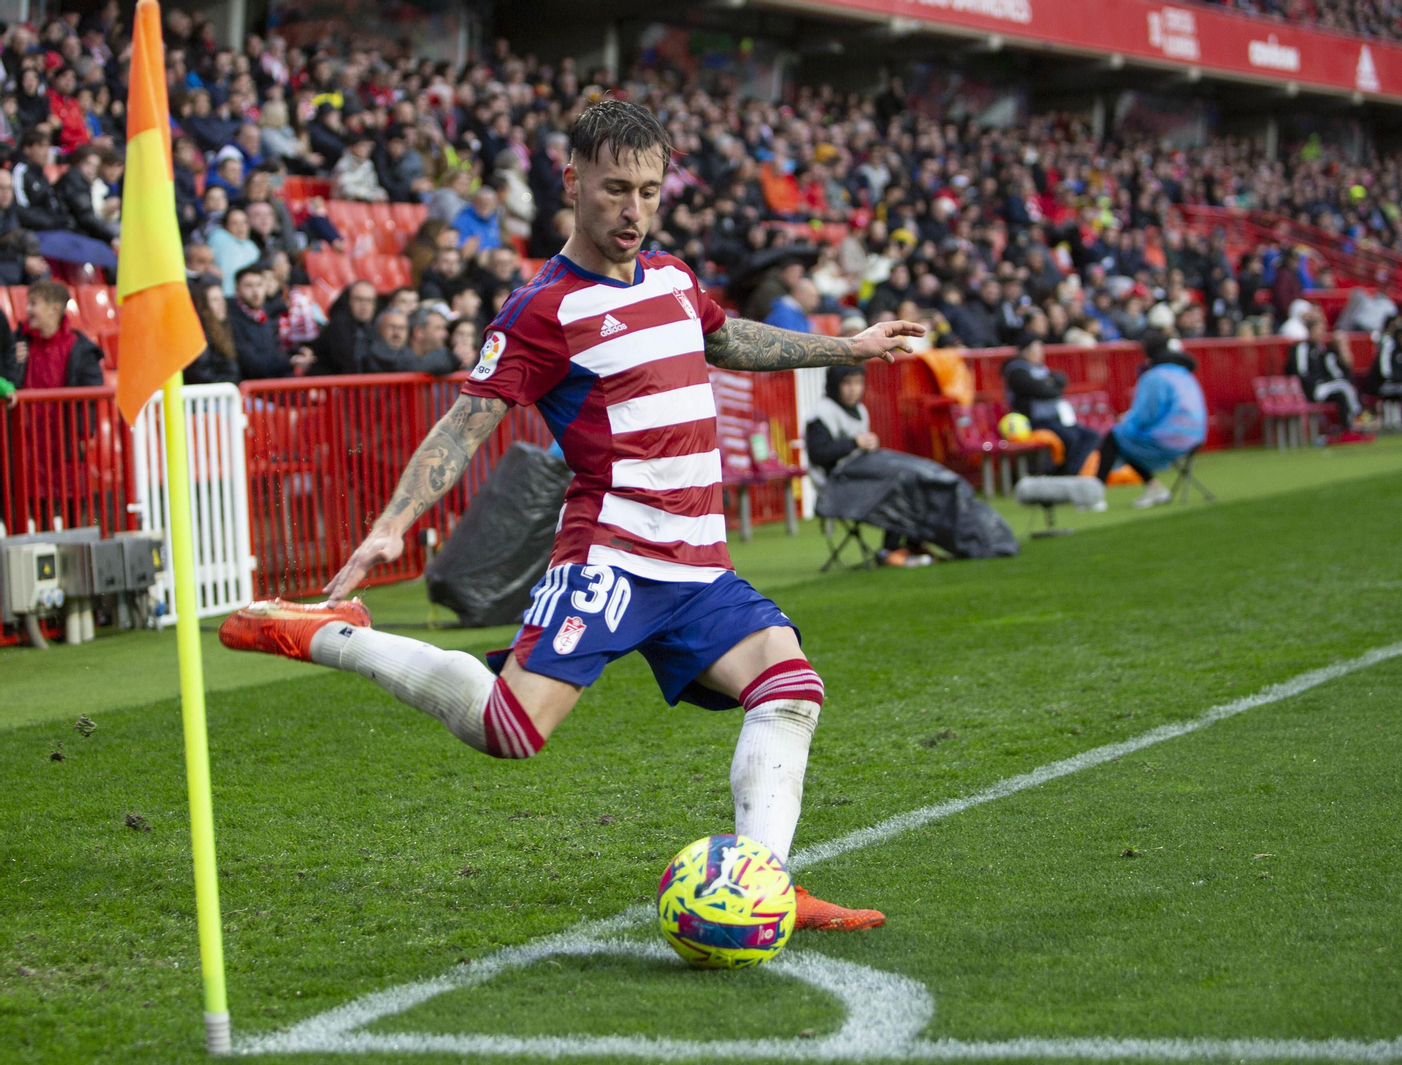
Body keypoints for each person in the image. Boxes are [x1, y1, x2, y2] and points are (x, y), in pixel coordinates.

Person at [218, 98, 926, 931]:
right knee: (511, 729)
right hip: (613, 559)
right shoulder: (542, 308)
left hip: (698, 569)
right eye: (616, 189)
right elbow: (464, 421)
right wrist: (392, 523)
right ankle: (329, 633)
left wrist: (849, 346)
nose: (634, 212)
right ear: (572, 180)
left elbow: (727, 338)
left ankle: (762, 881)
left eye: (651, 193)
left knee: (791, 686)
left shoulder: (670, 279)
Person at [804, 364, 932, 568]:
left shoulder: (861, 410)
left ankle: (912, 544)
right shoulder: (822, 413)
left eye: (858, 383)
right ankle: (888, 551)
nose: (854, 389)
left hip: (860, 478)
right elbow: (818, 454)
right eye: (847, 383)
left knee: (912, 477)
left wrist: (868, 446)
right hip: (836, 486)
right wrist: (854, 443)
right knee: (896, 484)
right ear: (834, 384)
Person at [1095, 334, 1207, 508]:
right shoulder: (1183, 372)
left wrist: (1126, 420)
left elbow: (1145, 415)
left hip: (1172, 437)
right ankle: (1154, 487)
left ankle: (1094, 494)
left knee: (1115, 437)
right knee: (1125, 440)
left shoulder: (1155, 375)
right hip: (1197, 435)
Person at [1001, 335, 1101, 476]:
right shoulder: (1016, 371)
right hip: (1033, 422)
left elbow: (1061, 379)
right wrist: (1050, 386)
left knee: (1091, 436)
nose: (1039, 353)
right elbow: (1040, 390)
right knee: (1070, 437)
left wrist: (1050, 386)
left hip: (1054, 419)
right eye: (1035, 349)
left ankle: (1069, 472)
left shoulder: (1041, 369)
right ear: (1025, 351)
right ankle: (1064, 475)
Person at [0, 280, 104, 390]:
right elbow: (6, 385)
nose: (27, 309)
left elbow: (92, 396)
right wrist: (10, 363)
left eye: (33, 303)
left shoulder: (82, 350)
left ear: (54, 309)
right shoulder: (15, 342)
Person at [1287, 316, 1362, 432]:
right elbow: (1301, 372)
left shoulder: (1322, 350)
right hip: (1310, 390)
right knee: (1344, 385)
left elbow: (1335, 371)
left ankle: (1348, 426)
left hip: (1323, 386)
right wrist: (1315, 383)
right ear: (1310, 330)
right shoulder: (1302, 347)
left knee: (1343, 391)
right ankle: (1358, 417)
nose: (1322, 333)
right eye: (1319, 329)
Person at [230, 264, 305, 379]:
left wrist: (298, 351)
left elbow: (274, 351)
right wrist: (290, 362)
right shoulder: (233, 321)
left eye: (259, 285)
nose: (255, 291)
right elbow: (252, 365)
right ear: (237, 290)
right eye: (248, 286)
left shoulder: (264, 315)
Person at [309, 280, 378, 376]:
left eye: (369, 301)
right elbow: (344, 362)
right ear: (348, 300)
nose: (364, 305)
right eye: (359, 299)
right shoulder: (338, 325)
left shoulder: (371, 327)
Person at [185, 280, 241, 385]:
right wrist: (228, 383)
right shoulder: (199, 335)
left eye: (222, 298)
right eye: (215, 300)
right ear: (203, 305)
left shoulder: (225, 328)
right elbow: (201, 374)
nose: (222, 304)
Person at [208, 206, 260, 297]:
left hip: (245, 298)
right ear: (225, 226)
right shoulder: (218, 237)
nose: (241, 227)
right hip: (223, 295)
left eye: (244, 222)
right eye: (234, 223)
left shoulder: (253, 248)